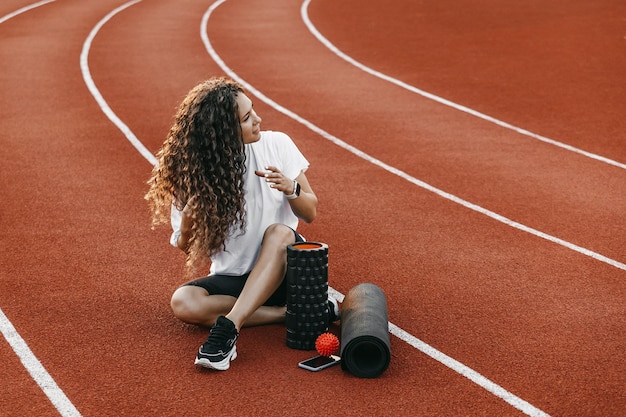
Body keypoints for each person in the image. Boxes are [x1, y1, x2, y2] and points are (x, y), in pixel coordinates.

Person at [145, 77, 339, 371]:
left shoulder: (277, 144)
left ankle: (229, 328)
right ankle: (285, 314)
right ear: (224, 133)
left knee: (279, 233)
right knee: (183, 302)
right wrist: (189, 218)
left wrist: (291, 188)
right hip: (237, 278)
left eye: (254, 110)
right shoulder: (193, 172)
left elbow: (309, 212)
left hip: (287, 272)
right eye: (247, 118)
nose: (258, 120)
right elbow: (188, 249)